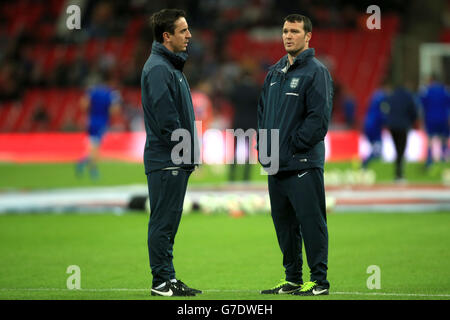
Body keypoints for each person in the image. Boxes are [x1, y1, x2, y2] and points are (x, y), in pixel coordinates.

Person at [257, 14, 333, 296]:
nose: (288, 36)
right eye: (285, 31)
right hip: (276, 164)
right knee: (285, 227)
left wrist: (291, 147)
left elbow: (318, 120)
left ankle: (319, 281)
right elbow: (263, 115)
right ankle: (292, 279)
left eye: (295, 31)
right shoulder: (274, 73)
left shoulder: (316, 72)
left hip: (302, 163)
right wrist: (264, 149)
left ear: (308, 36)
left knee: (311, 222)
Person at [141, 9, 201, 297]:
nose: (189, 35)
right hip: (167, 159)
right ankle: (161, 281)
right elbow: (167, 121)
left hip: (173, 158)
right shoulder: (159, 69)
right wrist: (184, 151)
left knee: (168, 222)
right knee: (164, 222)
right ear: (167, 36)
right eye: (183, 31)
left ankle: (168, 277)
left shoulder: (169, 67)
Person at [76, 72, 121, 180]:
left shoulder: (93, 90)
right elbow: (114, 110)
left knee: (93, 146)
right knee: (96, 148)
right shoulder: (112, 93)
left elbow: (83, 104)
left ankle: (85, 165)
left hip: (91, 121)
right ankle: (88, 167)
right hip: (101, 122)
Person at [228, 68, 259, 182]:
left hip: (238, 122)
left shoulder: (237, 88)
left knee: (235, 149)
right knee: (249, 150)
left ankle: (232, 174)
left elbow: (231, 99)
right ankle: (246, 176)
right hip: (251, 123)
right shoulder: (255, 89)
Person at [384, 83, 418, 182]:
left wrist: (388, 122)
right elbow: (413, 111)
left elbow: (385, 110)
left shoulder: (391, 96)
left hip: (393, 126)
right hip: (403, 126)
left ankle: (397, 173)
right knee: (401, 149)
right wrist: (411, 122)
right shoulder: (408, 96)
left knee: (397, 149)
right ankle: (399, 173)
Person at [418, 75, 450, 168]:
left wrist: (421, 120)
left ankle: (429, 161)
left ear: (431, 81)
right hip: (443, 118)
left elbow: (421, 106)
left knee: (430, 139)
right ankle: (444, 160)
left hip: (430, 118)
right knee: (444, 138)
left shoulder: (427, 91)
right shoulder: (445, 91)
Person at [362, 82, 389, 168]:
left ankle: (368, 165)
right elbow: (383, 113)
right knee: (378, 149)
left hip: (368, 124)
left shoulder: (374, 96)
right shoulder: (383, 98)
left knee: (375, 148)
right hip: (375, 127)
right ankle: (364, 165)